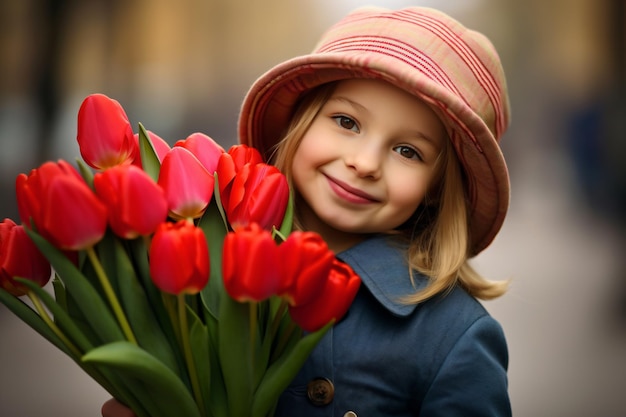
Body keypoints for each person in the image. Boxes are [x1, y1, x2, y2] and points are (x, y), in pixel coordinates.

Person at [103, 5, 512, 417]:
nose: (365, 163)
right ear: (299, 123)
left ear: (437, 190)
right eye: (347, 122)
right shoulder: (203, 268)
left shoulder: (452, 336)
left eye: (408, 151)